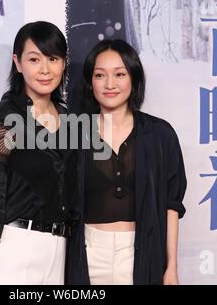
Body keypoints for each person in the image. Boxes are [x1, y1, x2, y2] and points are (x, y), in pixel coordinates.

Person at [0, 21, 77, 285]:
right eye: (34, 59)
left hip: (59, 251)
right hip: (15, 247)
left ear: (64, 63)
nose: (45, 69)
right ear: (18, 62)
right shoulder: (4, 118)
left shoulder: (71, 122)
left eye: (53, 58)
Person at [65, 39, 187, 285]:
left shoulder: (160, 134)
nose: (110, 84)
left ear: (134, 78)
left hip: (142, 252)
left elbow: (171, 206)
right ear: (90, 82)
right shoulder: (73, 134)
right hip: (88, 253)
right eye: (100, 75)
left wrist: (171, 267)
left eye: (119, 74)